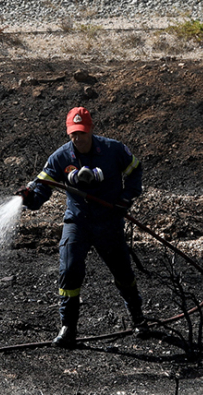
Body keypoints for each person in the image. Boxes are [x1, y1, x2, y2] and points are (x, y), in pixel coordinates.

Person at [15, 106, 146, 349]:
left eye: (82, 133)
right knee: (69, 269)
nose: (78, 138)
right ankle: (68, 328)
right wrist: (29, 198)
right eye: (74, 133)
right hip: (78, 222)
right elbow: (42, 187)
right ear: (68, 133)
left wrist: (126, 198)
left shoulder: (112, 150)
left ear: (91, 130)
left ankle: (138, 318)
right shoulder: (60, 157)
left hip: (109, 221)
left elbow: (135, 169)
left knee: (123, 273)